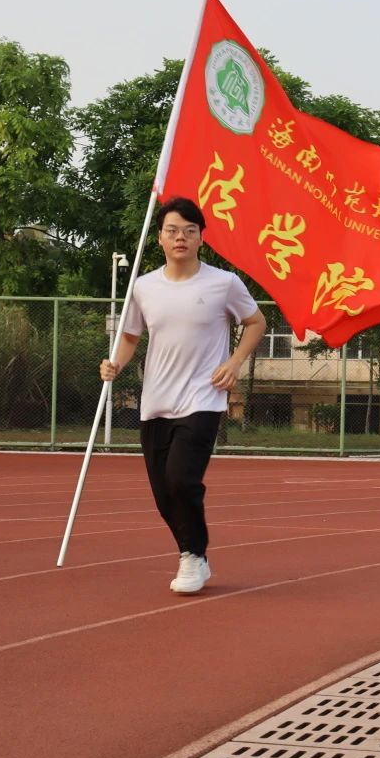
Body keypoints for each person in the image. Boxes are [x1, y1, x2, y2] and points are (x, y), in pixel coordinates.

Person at [100, 197, 266, 594]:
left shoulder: (223, 283)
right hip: (156, 400)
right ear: (159, 237)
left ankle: (193, 555)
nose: (181, 238)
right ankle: (193, 552)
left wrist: (234, 362)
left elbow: (256, 322)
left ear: (200, 238)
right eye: (173, 230)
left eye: (190, 231)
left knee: (181, 479)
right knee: (162, 494)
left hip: (203, 398)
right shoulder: (144, 287)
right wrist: (115, 364)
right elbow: (130, 336)